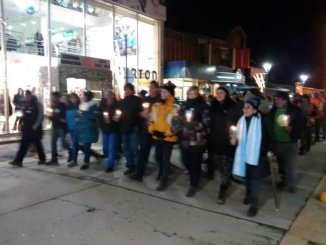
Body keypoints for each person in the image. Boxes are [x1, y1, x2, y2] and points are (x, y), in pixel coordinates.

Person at [231, 97, 276, 217]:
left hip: (258, 156)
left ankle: (254, 204)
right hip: (244, 154)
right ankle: (248, 194)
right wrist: (233, 139)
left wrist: (270, 150)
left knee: (255, 180)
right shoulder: (241, 120)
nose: (245, 110)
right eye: (244, 107)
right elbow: (236, 135)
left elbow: (272, 137)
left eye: (248, 107)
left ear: (255, 110)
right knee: (247, 177)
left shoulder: (264, 121)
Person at [208, 86, 241, 204]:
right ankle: (226, 179)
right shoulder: (214, 106)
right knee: (220, 165)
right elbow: (209, 122)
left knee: (226, 165)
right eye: (217, 93)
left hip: (228, 140)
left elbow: (237, 123)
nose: (219, 95)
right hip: (215, 140)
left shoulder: (233, 106)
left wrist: (234, 136)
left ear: (226, 94)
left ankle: (222, 191)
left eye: (221, 93)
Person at [268, 91, 306, 193]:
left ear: (285, 100)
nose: (277, 102)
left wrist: (292, 128)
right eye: (276, 100)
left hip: (290, 142)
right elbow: (268, 123)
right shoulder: (273, 111)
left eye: (280, 100)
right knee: (281, 164)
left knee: (290, 164)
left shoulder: (295, 111)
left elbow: (302, 124)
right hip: (277, 142)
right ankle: (284, 180)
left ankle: (291, 184)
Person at [179, 86, 210, 197]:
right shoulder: (185, 105)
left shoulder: (203, 106)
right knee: (185, 160)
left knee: (195, 163)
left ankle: (193, 184)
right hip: (185, 139)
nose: (191, 96)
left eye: (193, 94)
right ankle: (194, 175)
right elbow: (180, 119)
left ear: (198, 95)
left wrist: (193, 125)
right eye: (189, 94)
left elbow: (206, 123)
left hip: (197, 140)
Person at [148, 82, 179, 191]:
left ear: (170, 94)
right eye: (162, 91)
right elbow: (151, 120)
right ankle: (162, 171)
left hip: (168, 138)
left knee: (165, 159)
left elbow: (176, 125)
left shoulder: (175, 107)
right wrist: (153, 131)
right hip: (157, 137)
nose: (162, 93)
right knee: (158, 157)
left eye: (165, 92)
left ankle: (163, 180)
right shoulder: (156, 105)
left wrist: (165, 133)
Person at [130, 80, 161, 181]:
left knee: (159, 154)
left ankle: (162, 173)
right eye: (150, 87)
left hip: (157, 130)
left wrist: (152, 116)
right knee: (143, 152)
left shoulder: (160, 100)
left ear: (157, 89)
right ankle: (139, 173)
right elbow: (139, 112)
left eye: (153, 87)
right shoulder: (145, 100)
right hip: (146, 130)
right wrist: (142, 114)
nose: (151, 89)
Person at [9, 90, 46, 167]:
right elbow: (24, 115)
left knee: (38, 145)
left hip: (35, 130)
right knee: (23, 144)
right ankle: (18, 161)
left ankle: (42, 159)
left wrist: (35, 126)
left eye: (27, 95)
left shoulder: (37, 104)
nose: (26, 97)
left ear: (31, 95)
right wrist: (20, 124)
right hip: (27, 129)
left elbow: (40, 116)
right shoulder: (27, 105)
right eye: (25, 95)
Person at [116, 83, 143, 175]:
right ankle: (130, 166)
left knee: (134, 149)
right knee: (126, 149)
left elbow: (141, 114)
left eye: (128, 89)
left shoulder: (138, 101)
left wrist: (137, 125)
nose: (126, 91)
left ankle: (138, 166)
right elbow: (118, 113)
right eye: (125, 90)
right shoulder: (122, 102)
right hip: (124, 129)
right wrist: (117, 117)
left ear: (132, 90)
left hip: (134, 129)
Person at [74, 90, 99, 170]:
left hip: (88, 129)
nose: (81, 97)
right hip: (81, 128)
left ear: (87, 97)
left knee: (86, 145)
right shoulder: (81, 105)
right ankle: (94, 155)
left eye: (83, 95)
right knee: (83, 146)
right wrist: (77, 118)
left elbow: (94, 116)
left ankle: (86, 162)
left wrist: (84, 113)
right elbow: (78, 115)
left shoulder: (93, 105)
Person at [46, 92, 72, 165]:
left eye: (54, 97)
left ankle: (71, 151)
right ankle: (54, 159)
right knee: (53, 143)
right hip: (55, 127)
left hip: (62, 127)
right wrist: (49, 116)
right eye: (52, 97)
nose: (52, 98)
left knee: (64, 143)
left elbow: (66, 115)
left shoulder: (62, 105)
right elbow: (51, 116)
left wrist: (63, 119)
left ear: (57, 97)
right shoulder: (53, 106)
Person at [98, 90, 119, 172]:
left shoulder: (116, 105)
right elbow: (99, 115)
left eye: (111, 95)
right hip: (105, 129)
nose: (109, 97)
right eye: (108, 95)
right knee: (106, 148)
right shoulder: (102, 105)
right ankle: (114, 156)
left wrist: (116, 118)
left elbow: (119, 115)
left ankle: (110, 165)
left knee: (111, 148)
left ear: (113, 96)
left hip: (113, 129)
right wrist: (103, 121)